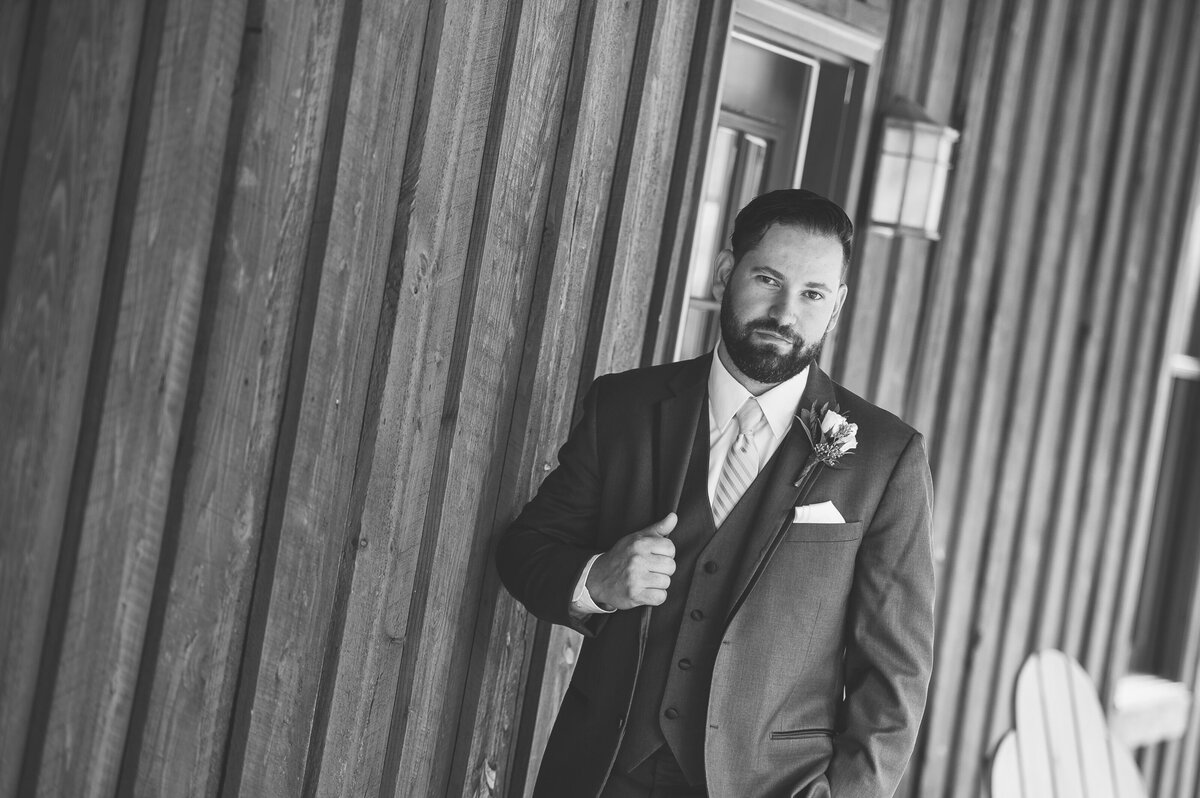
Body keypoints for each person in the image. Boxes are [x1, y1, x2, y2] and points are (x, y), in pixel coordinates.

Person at [496, 189, 935, 798]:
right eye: (768, 279)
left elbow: (894, 674)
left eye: (812, 295)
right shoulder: (623, 408)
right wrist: (594, 581)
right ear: (727, 272)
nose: (785, 313)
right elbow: (526, 549)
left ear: (835, 307)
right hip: (602, 773)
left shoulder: (885, 458)